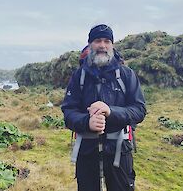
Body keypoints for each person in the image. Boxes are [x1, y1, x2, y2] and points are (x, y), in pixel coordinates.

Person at [61, 24, 146, 191]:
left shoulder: (126, 74)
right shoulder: (79, 76)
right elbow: (68, 111)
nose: (102, 45)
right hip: (86, 149)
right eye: (97, 40)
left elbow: (139, 109)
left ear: (112, 45)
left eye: (107, 41)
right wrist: (87, 122)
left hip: (119, 150)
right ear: (90, 44)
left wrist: (111, 111)